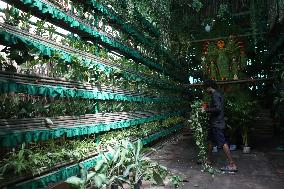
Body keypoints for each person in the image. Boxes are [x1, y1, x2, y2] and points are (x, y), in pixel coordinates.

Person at [201, 80, 238, 172]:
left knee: (222, 143)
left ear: (209, 87)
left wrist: (205, 110)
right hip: (214, 123)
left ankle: (232, 164)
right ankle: (208, 160)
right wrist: (207, 107)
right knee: (210, 141)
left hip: (217, 123)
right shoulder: (217, 94)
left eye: (206, 88)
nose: (206, 90)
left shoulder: (215, 95)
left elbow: (217, 108)